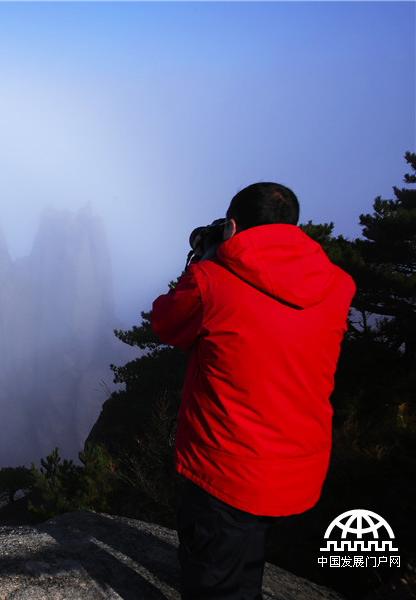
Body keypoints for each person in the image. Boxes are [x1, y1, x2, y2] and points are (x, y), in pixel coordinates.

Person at [149, 182, 355, 600]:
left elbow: (166, 323)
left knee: (214, 582)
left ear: (231, 226)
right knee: (246, 560)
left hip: (227, 470)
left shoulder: (211, 280)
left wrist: (201, 262)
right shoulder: (338, 285)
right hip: (297, 469)